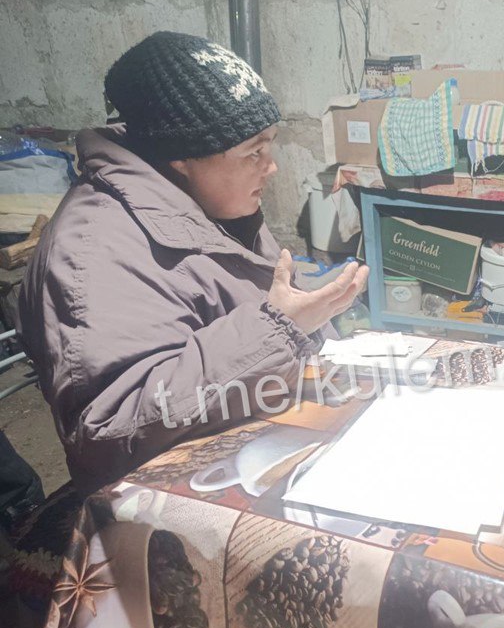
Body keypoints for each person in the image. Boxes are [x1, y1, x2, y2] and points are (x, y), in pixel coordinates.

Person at [17, 31, 368, 494]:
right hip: (167, 494)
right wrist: (278, 329)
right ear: (181, 157)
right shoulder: (93, 253)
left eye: (271, 144)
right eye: (254, 151)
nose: (272, 166)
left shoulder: (207, 200)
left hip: (258, 435)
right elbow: (110, 428)